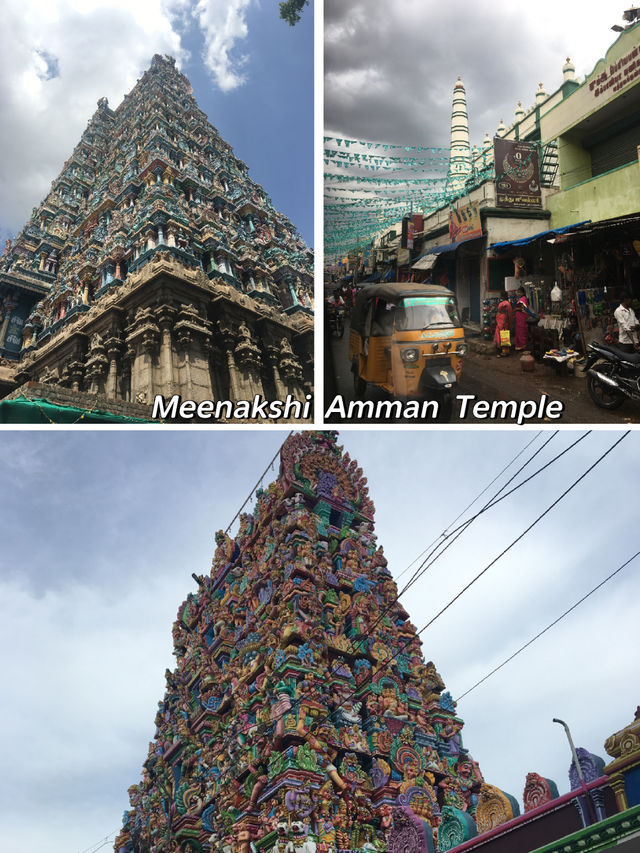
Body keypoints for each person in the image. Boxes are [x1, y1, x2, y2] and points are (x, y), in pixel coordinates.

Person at [494, 291, 513, 357]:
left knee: (503, 336)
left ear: (502, 296)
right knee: (502, 336)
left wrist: (504, 322)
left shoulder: (505, 304)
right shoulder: (506, 303)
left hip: (503, 321)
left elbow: (507, 314)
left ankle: (504, 352)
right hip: (501, 321)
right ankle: (503, 351)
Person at [514, 286, 530, 351]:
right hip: (519, 319)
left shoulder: (523, 299)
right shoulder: (521, 299)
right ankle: (520, 346)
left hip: (522, 319)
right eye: (518, 292)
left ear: (523, 293)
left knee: (522, 333)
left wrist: (516, 309)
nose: (518, 294)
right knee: (519, 332)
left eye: (519, 292)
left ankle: (524, 347)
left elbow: (522, 308)